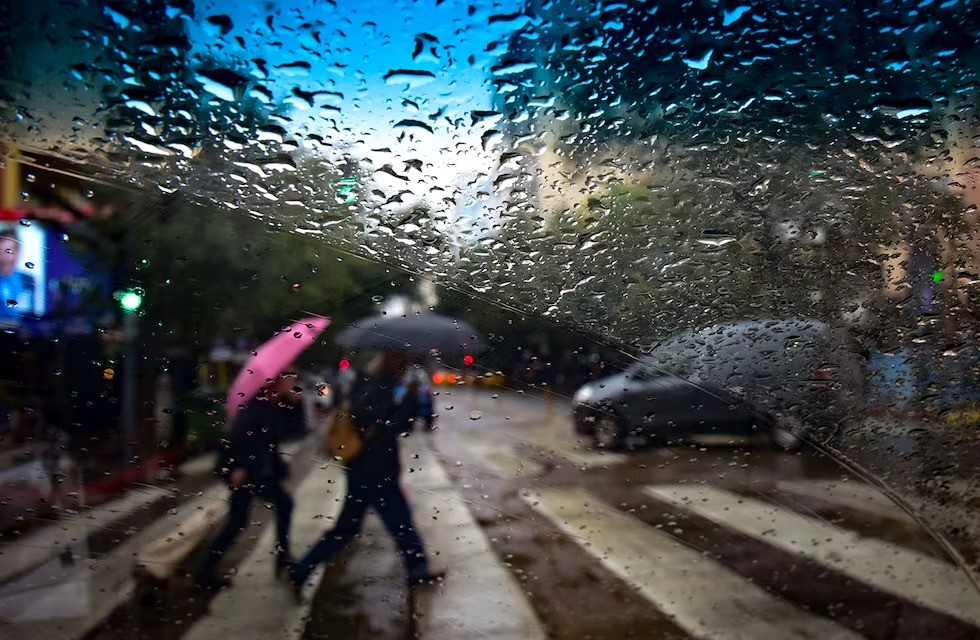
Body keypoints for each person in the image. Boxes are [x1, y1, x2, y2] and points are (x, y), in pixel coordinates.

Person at [290, 352, 442, 593]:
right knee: (400, 523)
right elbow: (393, 425)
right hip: (376, 471)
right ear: (397, 365)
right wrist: (411, 400)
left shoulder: (366, 384)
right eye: (404, 364)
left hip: (361, 468)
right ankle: (418, 570)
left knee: (347, 529)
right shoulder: (384, 388)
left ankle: (301, 570)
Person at [196, 373, 302, 590]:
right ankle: (204, 572)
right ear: (276, 381)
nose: (294, 382)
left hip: (260, 473)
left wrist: (295, 403)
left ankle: (282, 558)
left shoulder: (274, 406)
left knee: (280, 507)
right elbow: (235, 439)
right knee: (239, 521)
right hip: (247, 474)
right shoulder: (256, 407)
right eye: (290, 378)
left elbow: (295, 433)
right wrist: (237, 467)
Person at [0, 229, 36, 322]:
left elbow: (28, 315)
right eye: (1, 252)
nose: (4, 257)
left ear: (18, 253)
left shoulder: (27, 280)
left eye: (9, 251)